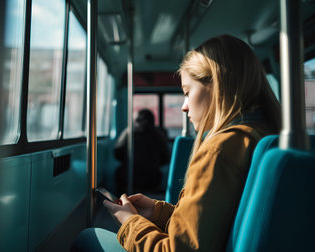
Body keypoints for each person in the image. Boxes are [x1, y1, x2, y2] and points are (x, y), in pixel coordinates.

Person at [71, 34, 281, 251]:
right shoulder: (263, 136)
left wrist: (129, 222)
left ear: (216, 85)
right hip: (154, 180)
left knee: (88, 237)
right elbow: (213, 224)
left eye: (187, 93)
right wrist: (156, 211)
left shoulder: (219, 149)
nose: (184, 106)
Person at [114, 108, 170, 195]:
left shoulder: (128, 133)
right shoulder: (159, 134)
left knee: (118, 171)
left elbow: (117, 153)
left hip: (129, 176)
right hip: (152, 177)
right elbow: (166, 158)